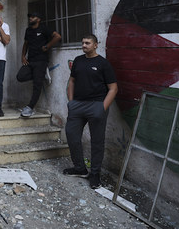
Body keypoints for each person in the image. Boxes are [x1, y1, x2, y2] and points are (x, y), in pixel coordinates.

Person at [63, 35, 118, 189]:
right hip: (77, 105)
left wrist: (102, 107)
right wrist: (71, 102)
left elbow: (113, 88)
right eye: (82, 43)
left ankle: (95, 174)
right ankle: (80, 168)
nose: (84, 45)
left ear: (95, 45)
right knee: (72, 135)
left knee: (97, 142)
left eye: (87, 43)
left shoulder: (103, 64)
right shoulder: (78, 60)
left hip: (97, 105)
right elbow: (72, 81)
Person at [19, 11, 61, 117]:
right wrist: (23, 56)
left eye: (33, 17)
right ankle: (42, 74)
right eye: (29, 17)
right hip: (30, 60)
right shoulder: (28, 30)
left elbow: (57, 37)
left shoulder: (44, 28)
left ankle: (30, 108)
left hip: (41, 60)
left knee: (37, 85)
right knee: (20, 76)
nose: (30, 18)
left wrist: (47, 46)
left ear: (38, 19)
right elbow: (26, 44)